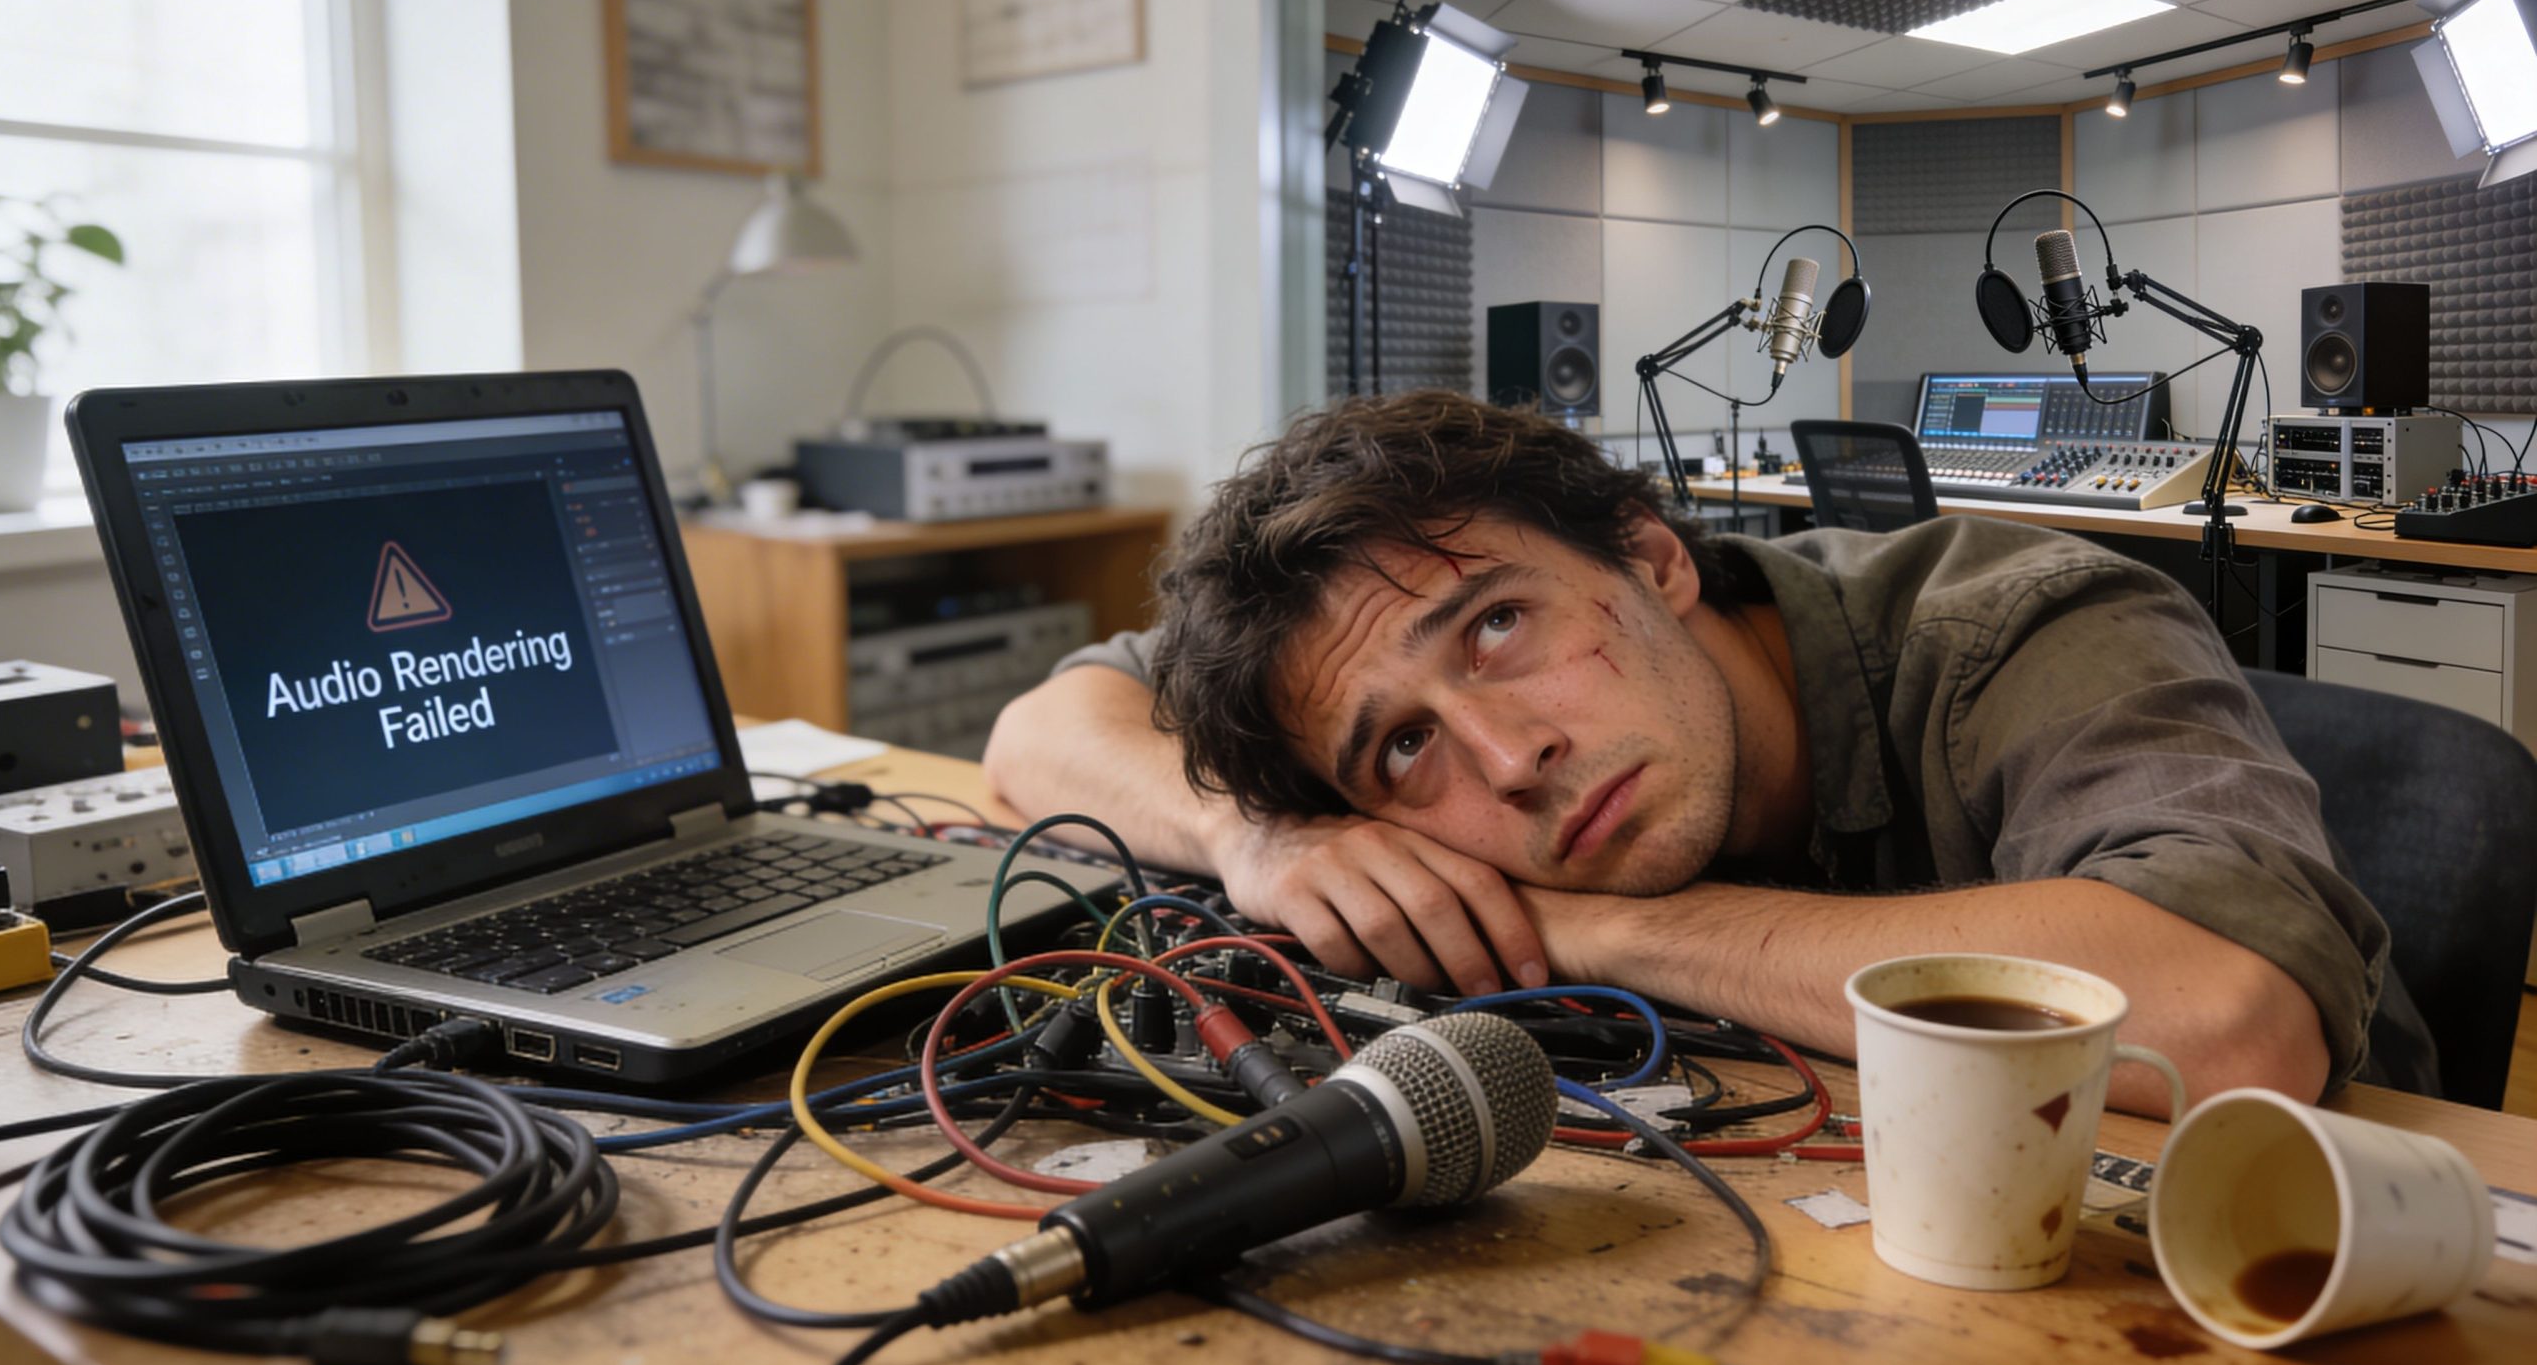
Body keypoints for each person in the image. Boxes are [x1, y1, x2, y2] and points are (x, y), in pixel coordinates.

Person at [984, 391, 2433, 1111]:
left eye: (1497, 627)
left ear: (1655, 559)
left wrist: (1603, 929)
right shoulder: (1323, 697)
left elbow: (2229, 1021)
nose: (1509, 761)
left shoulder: (2026, 619)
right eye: (1405, 745)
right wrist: (1259, 836)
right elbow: (1035, 733)